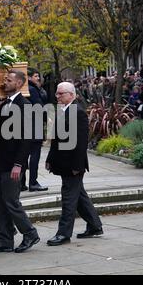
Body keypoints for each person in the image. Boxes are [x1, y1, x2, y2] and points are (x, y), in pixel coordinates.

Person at [0, 70, 40, 254]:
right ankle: (5, 240)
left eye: (8, 80)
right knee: (0, 202)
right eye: (4, 79)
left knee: (11, 201)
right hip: (1, 161)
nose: (4, 82)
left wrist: (18, 164)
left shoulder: (25, 105)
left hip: (13, 164)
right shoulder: (4, 104)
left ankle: (30, 232)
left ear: (19, 84)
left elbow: (26, 139)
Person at [46, 82, 103, 246]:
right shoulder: (63, 111)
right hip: (64, 163)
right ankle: (95, 226)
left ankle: (63, 234)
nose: (57, 96)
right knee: (79, 197)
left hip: (73, 165)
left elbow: (81, 143)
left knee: (69, 199)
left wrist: (78, 166)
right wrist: (50, 158)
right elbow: (55, 139)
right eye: (57, 93)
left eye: (61, 94)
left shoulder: (77, 113)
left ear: (72, 95)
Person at [21, 68, 49, 192]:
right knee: (34, 155)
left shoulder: (25, 89)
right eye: (36, 76)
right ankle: (33, 182)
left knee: (23, 155)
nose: (38, 78)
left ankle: (21, 183)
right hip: (34, 126)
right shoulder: (32, 89)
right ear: (29, 77)